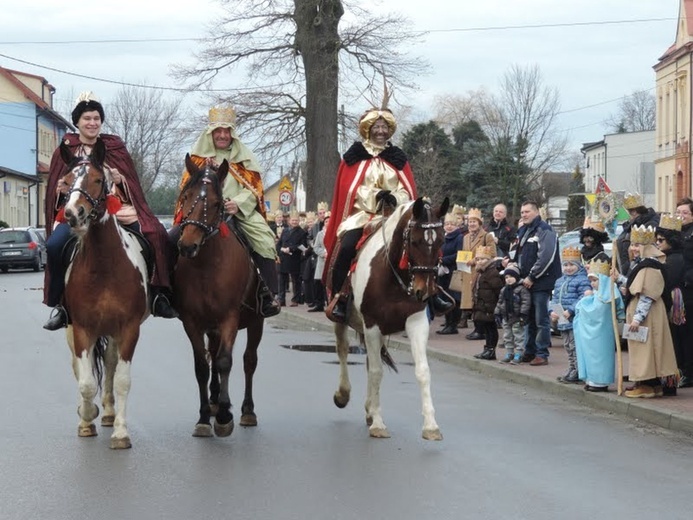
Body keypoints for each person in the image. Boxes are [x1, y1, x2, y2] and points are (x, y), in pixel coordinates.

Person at [43, 92, 177, 330]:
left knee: (157, 235)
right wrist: (61, 188)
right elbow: (55, 188)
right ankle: (61, 305)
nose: (92, 123)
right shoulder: (66, 149)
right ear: (77, 122)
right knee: (54, 246)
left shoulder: (114, 146)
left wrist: (119, 178)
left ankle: (158, 294)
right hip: (78, 214)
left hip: (116, 210)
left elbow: (131, 183)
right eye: (87, 118)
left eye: (96, 118)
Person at [323, 106, 453, 322]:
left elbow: (407, 190)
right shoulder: (354, 158)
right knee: (346, 247)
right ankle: (341, 297)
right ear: (368, 129)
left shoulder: (397, 158)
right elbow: (350, 190)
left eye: (384, 127)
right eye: (377, 126)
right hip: (363, 215)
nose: (381, 131)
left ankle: (432, 295)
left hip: (393, 216)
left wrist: (395, 198)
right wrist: (376, 196)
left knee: (422, 247)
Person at [173, 106, 280, 318]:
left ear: (232, 133)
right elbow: (187, 188)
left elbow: (255, 190)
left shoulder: (245, 158)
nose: (222, 135)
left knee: (265, 241)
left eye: (226, 131)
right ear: (210, 133)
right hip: (202, 213)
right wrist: (207, 170)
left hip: (238, 212)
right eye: (218, 131)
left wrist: (238, 203)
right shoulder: (197, 158)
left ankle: (269, 294)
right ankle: (168, 292)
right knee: (170, 239)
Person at [617, 225, 678, 398]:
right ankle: (652, 384)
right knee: (646, 348)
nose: (633, 249)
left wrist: (637, 319)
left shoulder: (650, 265)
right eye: (632, 245)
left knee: (647, 349)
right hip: (644, 314)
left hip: (646, 316)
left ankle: (647, 384)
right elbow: (635, 285)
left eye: (637, 245)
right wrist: (621, 279)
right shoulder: (644, 263)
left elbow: (647, 295)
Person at [513, 200, 562, 366]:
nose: (524, 215)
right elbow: (518, 253)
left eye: (527, 212)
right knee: (529, 318)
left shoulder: (544, 230)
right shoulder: (524, 231)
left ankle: (542, 353)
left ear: (536, 212)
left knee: (541, 319)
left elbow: (546, 256)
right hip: (526, 282)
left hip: (541, 282)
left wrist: (532, 276)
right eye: (522, 212)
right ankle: (530, 350)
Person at [573, 259, 625, 392]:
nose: (592, 284)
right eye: (590, 281)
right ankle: (591, 378)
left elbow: (597, 310)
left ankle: (600, 381)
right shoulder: (597, 294)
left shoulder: (609, 292)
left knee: (600, 355)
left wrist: (584, 302)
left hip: (601, 333)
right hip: (591, 334)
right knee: (590, 354)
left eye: (595, 280)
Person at [549, 246, 592, 384]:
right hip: (562, 318)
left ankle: (578, 370)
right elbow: (554, 298)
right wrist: (552, 311)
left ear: (578, 266)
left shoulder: (582, 280)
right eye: (565, 265)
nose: (568, 268)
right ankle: (572, 367)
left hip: (574, 319)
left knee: (574, 345)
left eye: (571, 265)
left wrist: (571, 310)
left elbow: (583, 298)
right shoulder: (559, 281)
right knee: (567, 345)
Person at [655, 214, 686, 391]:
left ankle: (676, 376)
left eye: (661, 240)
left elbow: (668, 282)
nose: (658, 243)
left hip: (675, 303)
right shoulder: (667, 257)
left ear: (671, 240)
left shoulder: (675, 259)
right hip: (671, 301)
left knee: (676, 339)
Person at [460, 208, 497, 340]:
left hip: (480, 271)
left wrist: (475, 260)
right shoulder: (465, 237)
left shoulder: (487, 236)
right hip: (467, 272)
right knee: (471, 302)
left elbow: (492, 254)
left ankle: (480, 330)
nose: (471, 224)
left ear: (480, 223)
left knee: (479, 301)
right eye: (470, 221)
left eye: (474, 221)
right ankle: (477, 328)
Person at [470, 246, 503, 360]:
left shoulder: (492, 273)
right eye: (478, 259)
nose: (480, 262)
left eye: (483, 259)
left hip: (490, 306)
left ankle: (491, 350)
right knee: (487, 328)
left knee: (491, 328)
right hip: (482, 305)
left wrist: (497, 306)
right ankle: (487, 349)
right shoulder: (480, 272)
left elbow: (498, 290)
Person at [494, 263, 531, 364]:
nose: (508, 279)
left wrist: (523, 315)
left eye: (511, 277)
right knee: (507, 336)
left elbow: (525, 302)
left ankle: (519, 353)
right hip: (506, 317)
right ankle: (509, 353)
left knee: (519, 336)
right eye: (506, 277)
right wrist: (497, 313)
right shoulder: (504, 289)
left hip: (517, 317)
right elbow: (500, 302)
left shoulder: (522, 289)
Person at [615, 192, 659, 276]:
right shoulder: (631, 226)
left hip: (637, 269)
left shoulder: (649, 225)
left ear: (634, 212)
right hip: (626, 269)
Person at [436, 213, 464, 335]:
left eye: (452, 224)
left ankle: (453, 325)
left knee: (453, 298)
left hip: (453, 270)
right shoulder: (443, 237)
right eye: (447, 224)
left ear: (457, 225)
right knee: (444, 297)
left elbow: (459, 254)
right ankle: (447, 323)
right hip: (442, 271)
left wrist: (444, 259)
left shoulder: (459, 238)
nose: (449, 226)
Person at [677, 197, 693, 388]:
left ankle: (689, 371)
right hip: (678, 290)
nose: (681, 216)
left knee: (688, 333)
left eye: (685, 213)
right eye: (678, 212)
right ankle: (683, 369)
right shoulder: (675, 232)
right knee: (680, 332)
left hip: (689, 290)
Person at [277, 211, 307, 306]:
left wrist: (291, 248)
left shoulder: (302, 232)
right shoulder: (285, 230)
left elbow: (303, 245)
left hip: (294, 258)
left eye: (296, 220)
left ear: (298, 221)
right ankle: (281, 299)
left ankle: (295, 299)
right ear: (289, 221)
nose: (294, 222)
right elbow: (279, 243)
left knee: (295, 280)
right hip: (283, 258)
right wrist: (280, 249)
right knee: (282, 280)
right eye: (293, 220)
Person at [311, 212, 330, 312]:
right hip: (322, 260)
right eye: (326, 221)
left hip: (331, 261)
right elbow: (316, 247)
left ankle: (330, 303)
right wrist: (323, 253)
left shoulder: (335, 232)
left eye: (329, 221)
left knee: (329, 283)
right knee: (318, 283)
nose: (328, 223)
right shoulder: (320, 234)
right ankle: (319, 304)